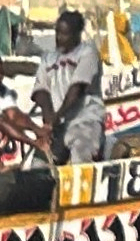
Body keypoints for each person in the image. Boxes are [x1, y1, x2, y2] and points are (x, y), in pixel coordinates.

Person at [33, 11, 104, 166]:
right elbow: (41, 91)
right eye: (57, 32)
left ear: (77, 34)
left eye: (64, 34)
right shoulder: (48, 57)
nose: (59, 38)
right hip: (59, 125)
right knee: (38, 166)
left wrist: (57, 116)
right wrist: (48, 118)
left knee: (80, 162)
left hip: (85, 121)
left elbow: (77, 88)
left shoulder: (88, 53)